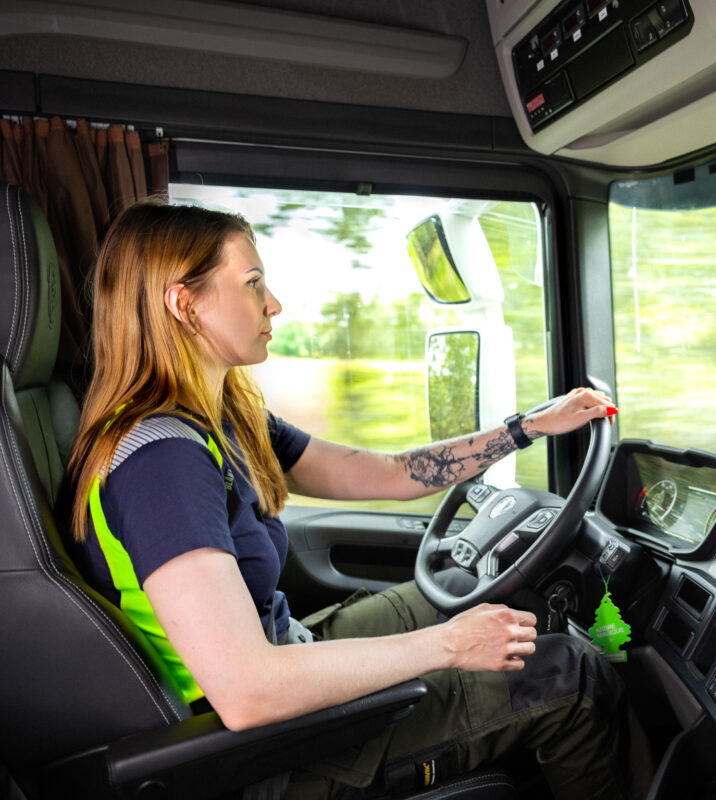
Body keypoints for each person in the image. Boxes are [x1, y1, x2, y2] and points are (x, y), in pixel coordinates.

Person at [67, 200, 649, 800]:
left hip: (286, 650)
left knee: (465, 585)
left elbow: (386, 473)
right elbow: (247, 692)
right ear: (184, 304)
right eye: (253, 284)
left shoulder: (223, 415)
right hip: (260, 752)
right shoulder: (161, 460)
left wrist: (525, 429)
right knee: (574, 678)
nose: (274, 305)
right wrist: (448, 646)